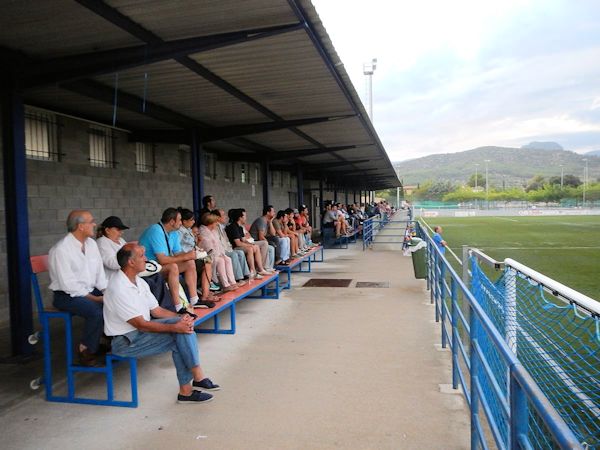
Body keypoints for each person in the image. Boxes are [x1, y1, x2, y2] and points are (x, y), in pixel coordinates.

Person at [104, 243, 219, 404]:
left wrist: (182, 318)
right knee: (179, 335)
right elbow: (141, 324)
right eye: (142, 256)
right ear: (130, 262)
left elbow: (157, 311)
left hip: (140, 334)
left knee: (182, 329)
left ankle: (191, 386)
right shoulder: (118, 287)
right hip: (125, 341)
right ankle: (193, 382)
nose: (146, 259)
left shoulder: (138, 281)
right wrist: (175, 326)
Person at [48, 210, 107, 366]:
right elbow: (69, 285)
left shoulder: (92, 244)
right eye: (91, 221)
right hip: (66, 295)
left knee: (116, 302)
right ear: (81, 226)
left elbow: (100, 275)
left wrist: (108, 292)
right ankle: (85, 350)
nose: (95, 224)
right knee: (96, 311)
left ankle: (104, 340)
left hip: (88, 290)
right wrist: (96, 298)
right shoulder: (61, 249)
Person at [139, 208, 213, 311]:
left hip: (159, 266)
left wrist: (193, 254)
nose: (181, 222)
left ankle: (194, 300)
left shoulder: (173, 232)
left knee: (190, 263)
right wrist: (186, 256)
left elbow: (179, 253)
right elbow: (162, 260)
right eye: (179, 220)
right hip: (148, 269)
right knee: (172, 267)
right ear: (172, 222)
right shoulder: (156, 230)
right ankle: (178, 306)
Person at [175, 208, 218, 302]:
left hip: (192, 257)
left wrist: (198, 248)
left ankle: (206, 291)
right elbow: (180, 249)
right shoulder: (179, 232)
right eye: (191, 220)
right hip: (184, 259)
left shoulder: (188, 230)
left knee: (208, 259)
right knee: (207, 262)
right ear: (184, 221)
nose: (193, 222)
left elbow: (191, 246)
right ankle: (205, 295)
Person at [199, 213, 245, 292]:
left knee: (227, 259)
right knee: (220, 260)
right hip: (206, 256)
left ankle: (232, 282)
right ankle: (225, 285)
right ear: (210, 223)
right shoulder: (203, 231)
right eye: (215, 222)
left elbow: (219, 245)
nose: (217, 224)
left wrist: (221, 254)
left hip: (216, 254)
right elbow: (207, 248)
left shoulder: (213, 231)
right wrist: (218, 255)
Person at [225, 208, 269, 279]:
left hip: (240, 246)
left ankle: (261, 269)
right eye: (244, 216)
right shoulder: (233, 226)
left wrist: (252, 244)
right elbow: (238, 243)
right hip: (234, 247)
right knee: (250, 249)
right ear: (240, 218)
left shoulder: (239, 227)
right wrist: (250, 246)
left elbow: (244, 240)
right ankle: (252, 272)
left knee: (256, 247)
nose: (246, 218)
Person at [213, 209, 250, 281]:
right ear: (217, 217)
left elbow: (226, 240)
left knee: (240, 253)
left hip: (227, 248)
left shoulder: (221, 227)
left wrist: (229, 248)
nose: (226, 217)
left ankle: (245, 275)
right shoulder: (214, 227)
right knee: (234, 254)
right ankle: (238, 278)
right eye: (223, 215)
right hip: (220, 251)